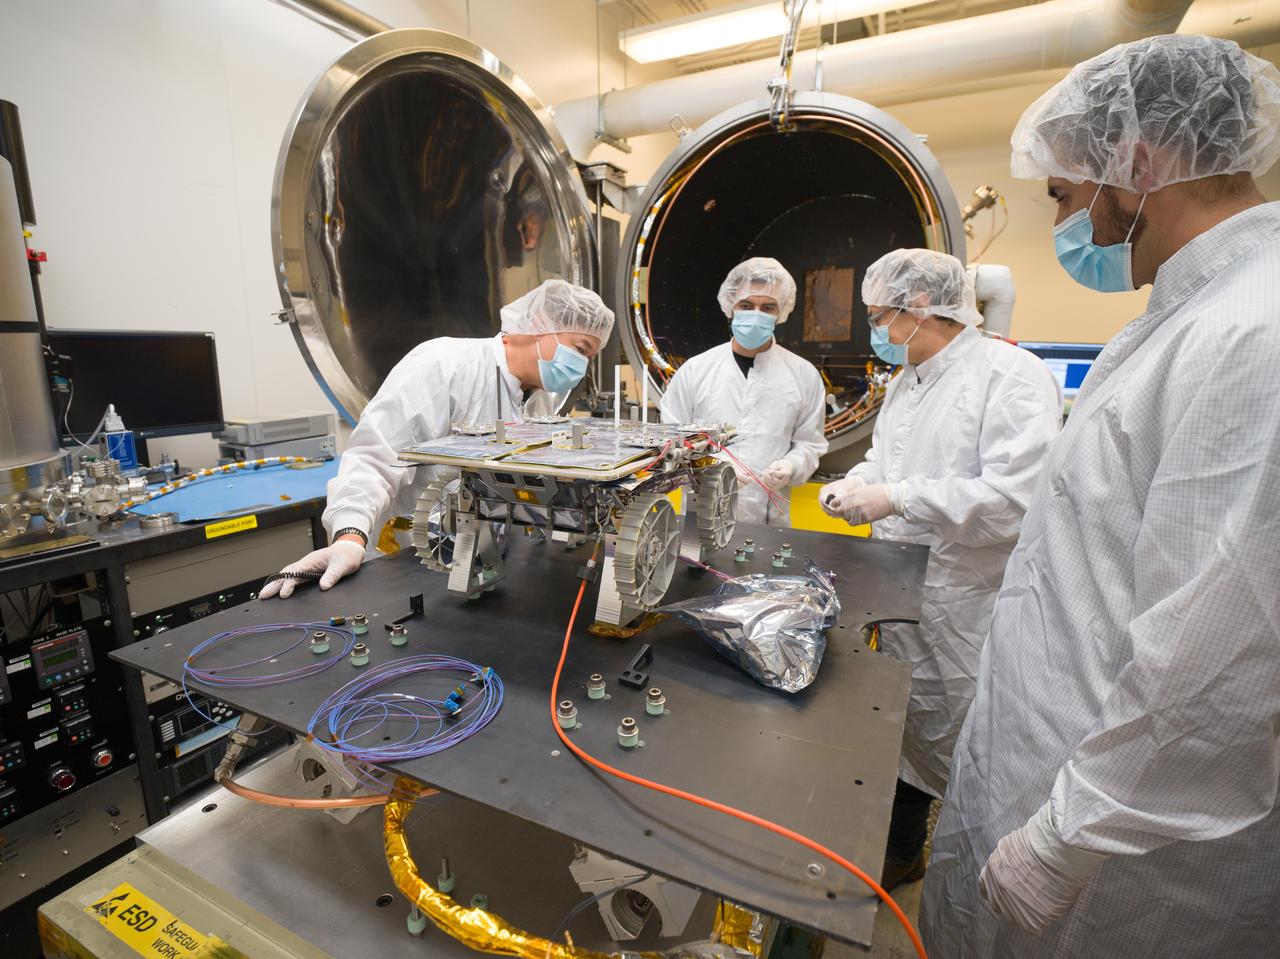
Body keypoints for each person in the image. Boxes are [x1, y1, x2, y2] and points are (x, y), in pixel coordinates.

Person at [920, 35, 1280, 958]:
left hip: (1121, 857)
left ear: (1138, 165)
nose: (1065, 224)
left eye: (1064, 195)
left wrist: (1060, 841)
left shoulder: (1255, 335)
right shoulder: (1180, 320)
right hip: (1055, 775)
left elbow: (1221, 655)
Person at [818, 249, 1061, 891]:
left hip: (965, 600)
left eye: (879, 318)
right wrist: (856, 483)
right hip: (898, 585)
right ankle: (899, 849)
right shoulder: (909, 377)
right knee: (902, 726)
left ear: (918, 309)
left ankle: (960, 871)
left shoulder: (1010, 375)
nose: (876, 331)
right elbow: (884, 457)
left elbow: (1014, 501)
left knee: (957, 738)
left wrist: (898, 498)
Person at [260, 279, 613, 598]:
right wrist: (349, 536)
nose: (580, 366)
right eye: (579, 349)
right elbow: (376, 456)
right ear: (538, 325)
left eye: (589, 357)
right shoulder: (446, 364)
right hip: (403, 562)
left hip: (480, 566)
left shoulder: (541, 397)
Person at [659, 257, 827, 525]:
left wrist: (792, 466)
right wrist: (709, 466)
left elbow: (809, 443)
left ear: (781, 312)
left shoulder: (803, 375)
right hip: (701, 515)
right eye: (747, 305)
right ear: (730, 308)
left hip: (770, 519)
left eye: (768, 307)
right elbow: (669, 441)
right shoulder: (696, 371)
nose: (756, 313)